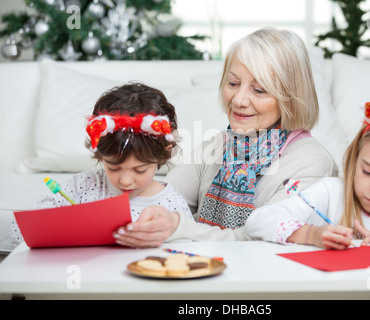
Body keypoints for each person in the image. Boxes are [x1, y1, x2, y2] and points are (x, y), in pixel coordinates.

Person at [114, 27, 338, 247]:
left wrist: (176, 225)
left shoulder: (313, 164)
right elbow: (159, 198)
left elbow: (258, 239)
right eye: (233, 83)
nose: (238, 100)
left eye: (259, 90)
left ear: (290, 98)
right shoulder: (217, 145)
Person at [245, 102, 370, 256]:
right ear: (355, 158)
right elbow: (257, 221)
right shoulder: (331, 192)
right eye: (368, 172)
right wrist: (311, 234)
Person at [11, 83, 192, 248]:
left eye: (140, 169)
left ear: (165, 153)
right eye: (113, 167)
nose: (126, 181)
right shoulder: (81, 188)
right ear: (99, 154)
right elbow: (20, 232)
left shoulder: (172, 205)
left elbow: (189, 249)